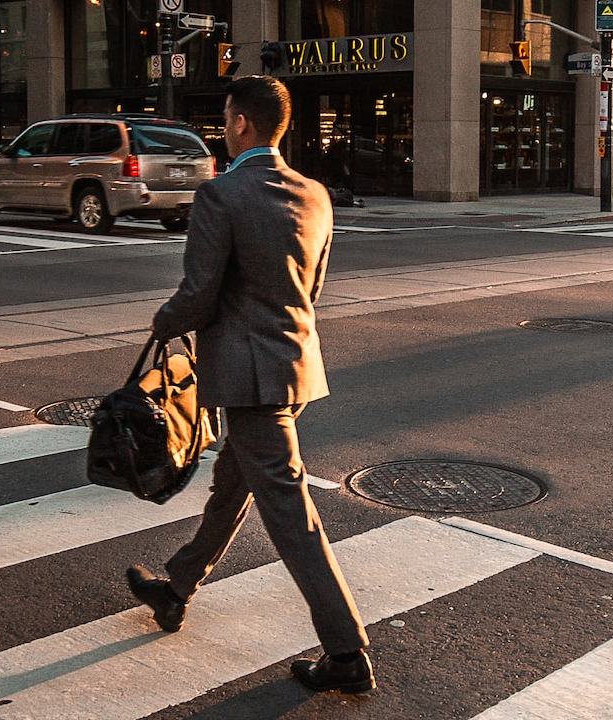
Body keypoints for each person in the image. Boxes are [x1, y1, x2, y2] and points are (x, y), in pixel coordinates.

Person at [126, 75, 374, 694]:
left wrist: (164, 323)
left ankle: (346, 653)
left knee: (292, 514)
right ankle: (177, 587)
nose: (224, 126)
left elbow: (199, 294)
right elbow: (310, 291)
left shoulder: (222, 196)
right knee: (232, 485)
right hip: (294, 366)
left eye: (227, 117)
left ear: (241, 123)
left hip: (247, 374)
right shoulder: (315, 194)